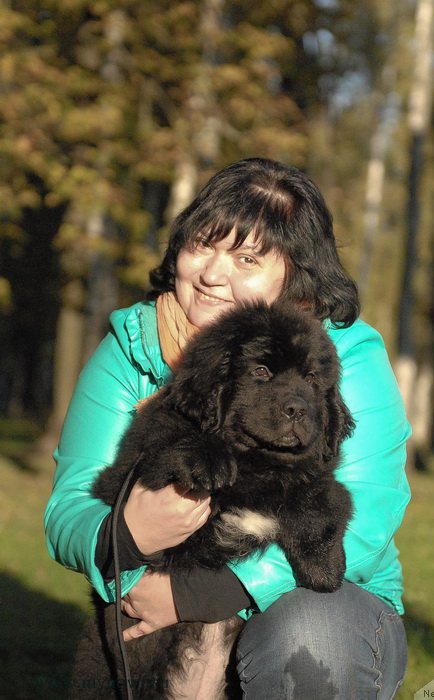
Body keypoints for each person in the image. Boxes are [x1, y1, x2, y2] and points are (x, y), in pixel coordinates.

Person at [45, 157, 411, 699]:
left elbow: (366, 525)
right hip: (155, 607)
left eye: (246, 258)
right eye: (201, 245)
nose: (213, 274)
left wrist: (200, 593)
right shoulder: (132, 350)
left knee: (309, 633)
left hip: (332, 607)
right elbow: (69, 509)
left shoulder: (342, 355)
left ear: (295, 272)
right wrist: (124, 536)